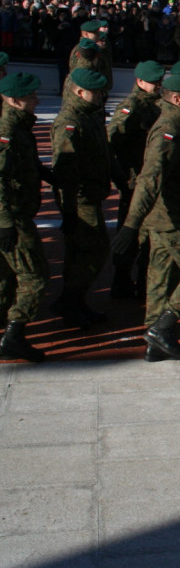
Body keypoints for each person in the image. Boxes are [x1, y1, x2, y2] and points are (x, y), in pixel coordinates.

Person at [111, 74, 180, 362]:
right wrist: (131, 225)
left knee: (160, 277)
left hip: (167, 217)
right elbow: (149, 180)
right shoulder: (168, 130)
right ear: (178, 99)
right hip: (174, 219)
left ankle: (154, 343)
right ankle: (163, 328)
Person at [50, 68, 113, 329]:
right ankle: (69, 300)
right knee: (93, 250)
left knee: (81, 253)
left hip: (91, 195)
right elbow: (64, 171)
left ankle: (74, 302)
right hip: (80, 199)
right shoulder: (70, 122)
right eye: (95, 92)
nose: (100, 96)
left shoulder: (89, 116)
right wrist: (68, 211)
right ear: (79, 92)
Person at [0, 73, 49, 362]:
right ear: (16, 100)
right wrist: (6, 223)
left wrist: (42, 173)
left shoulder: (18, 127)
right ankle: (14, 335)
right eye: (31, 97)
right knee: (35, 276)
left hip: (13, 214)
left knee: (6, 276)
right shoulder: (7, 131)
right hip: (12, 217)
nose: (36, 100)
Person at [108, 60, 165, 299]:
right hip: (134, 181)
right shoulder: (130, 108)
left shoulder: (157, 105)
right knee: (130, 232)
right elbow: (112, 141)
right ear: (139, 82)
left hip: (150, 178)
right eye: (153, 83)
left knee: (149, 235)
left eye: (159, 82)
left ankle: (143, 281)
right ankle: (121, 280)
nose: (157, 86)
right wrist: (121, 175)